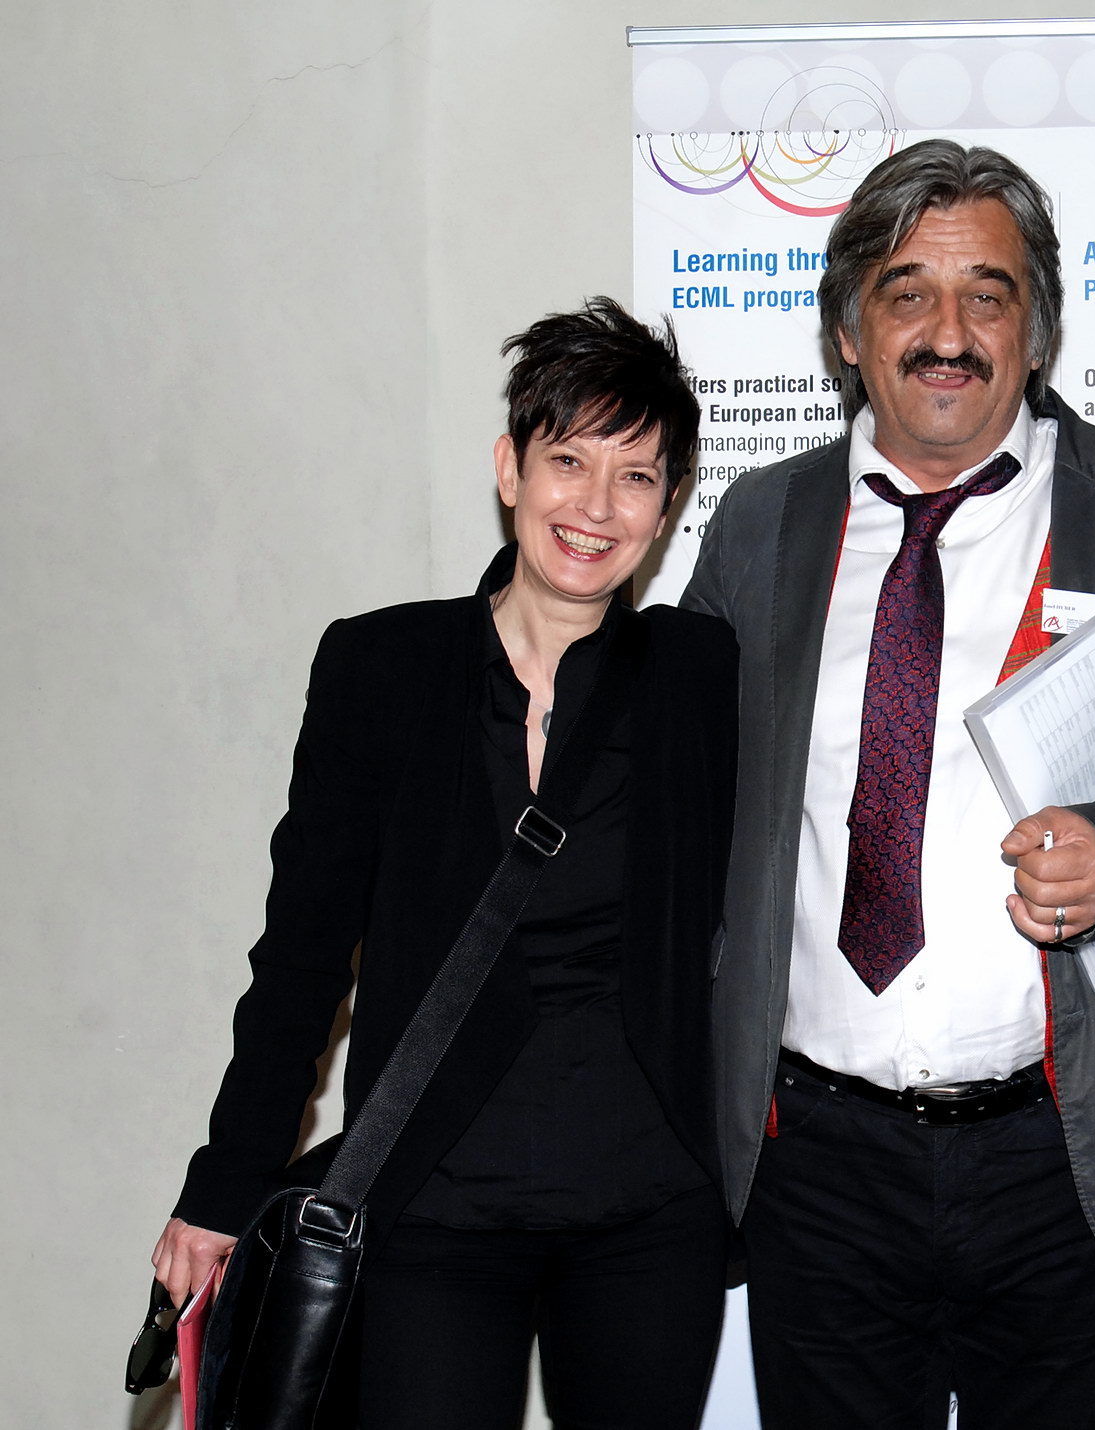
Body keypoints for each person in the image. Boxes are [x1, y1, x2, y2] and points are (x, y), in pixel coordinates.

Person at [683, 138, 1095, 1429]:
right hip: (816, 1163)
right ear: (848, 330)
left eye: (989, 293)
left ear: (1037, 330)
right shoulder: (762, 525)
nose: (948, 332)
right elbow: (682, 797)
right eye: (907, 292)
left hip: (1061, 1154)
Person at [151, 298, 738, 1430]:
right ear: (509, 468)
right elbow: (302, 956)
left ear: (668, 508)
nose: (596, 505)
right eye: (567, 460)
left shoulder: (699, 676)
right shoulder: (382, 667)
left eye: (635, 476)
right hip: (430, 1209)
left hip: (648, 1215)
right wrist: (224, 1183)